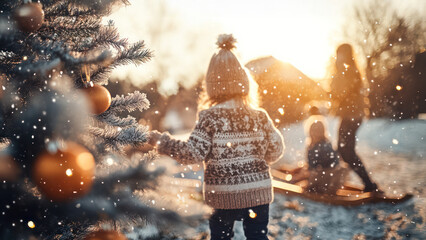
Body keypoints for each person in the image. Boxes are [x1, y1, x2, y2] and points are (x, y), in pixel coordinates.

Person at [148, 34, 284, 240]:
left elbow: (191, 153)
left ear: (211, 83)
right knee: (258, 236)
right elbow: (276, 149)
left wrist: (162, 142)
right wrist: (254, 159)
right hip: (258, 193)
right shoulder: (259, 116)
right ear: (243, 79)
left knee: (221, 237)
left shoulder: (210, 117)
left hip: (223, 196)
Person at [330, 43, 380, 192]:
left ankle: (369, 184)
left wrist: (333, 88)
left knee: (347, 152)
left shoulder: (347, 70)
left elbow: (339, 92)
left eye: (340, 54)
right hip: (352, 115)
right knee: (345, 151)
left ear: (345, 55)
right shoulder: (351, 70)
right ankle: (338, 179)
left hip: (351, 116)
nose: (338, 57)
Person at [304, 110, 348, 194]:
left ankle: (321, 188)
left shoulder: (314, 148)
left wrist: (294, 179)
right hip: (334, 178)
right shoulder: (328, 143)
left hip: (323, 181)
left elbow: (311, 170)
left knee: (308, 175)